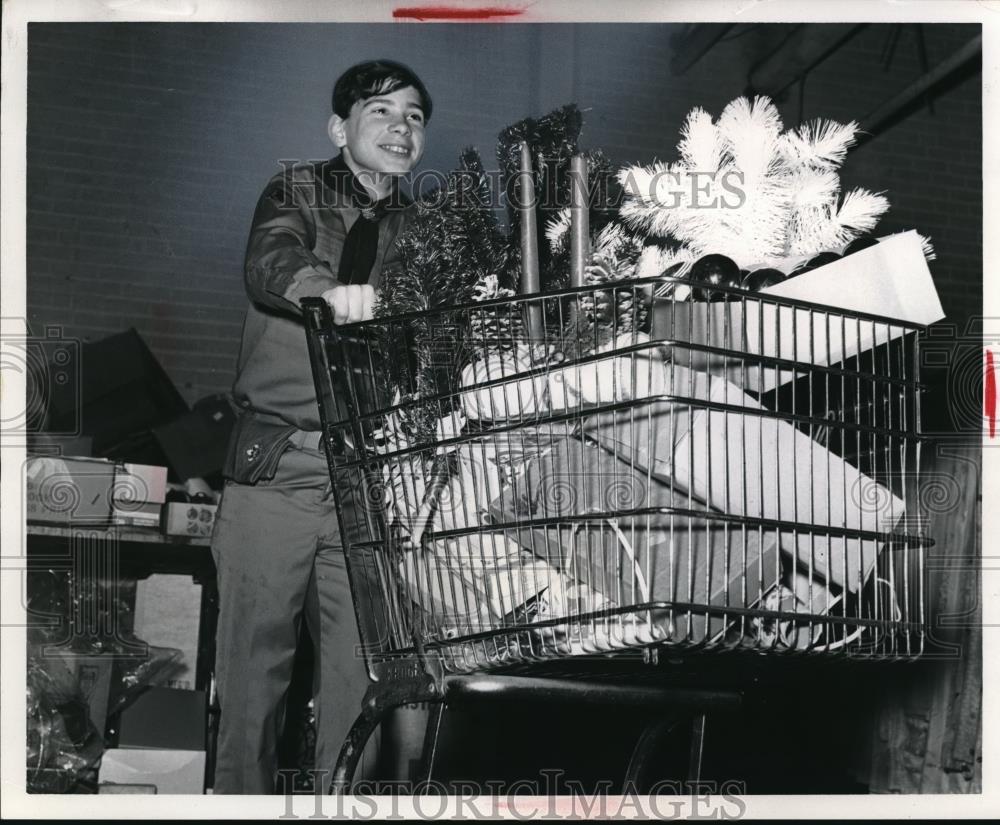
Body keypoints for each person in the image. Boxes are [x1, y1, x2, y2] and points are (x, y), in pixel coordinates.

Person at [210, 59, 432, 795]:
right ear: (339, 129)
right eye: (382, 112)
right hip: (279, 471)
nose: (402, 128)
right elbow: (270, 258)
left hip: (366, 489)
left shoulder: (423, 230)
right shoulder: (296, 190)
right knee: (250, 691)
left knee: (361, 691)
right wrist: (330, 295)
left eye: (414, 117)